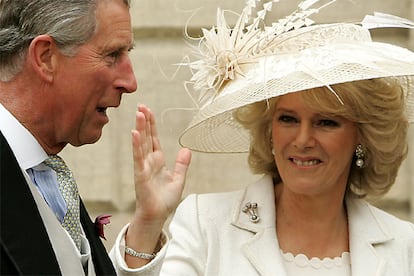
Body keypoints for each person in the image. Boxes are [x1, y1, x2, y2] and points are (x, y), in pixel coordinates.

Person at [116, 0, 414, 275]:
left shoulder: (404, 246)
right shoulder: (206, 223)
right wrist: (148, 224)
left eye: (326, 122)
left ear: (363, 136)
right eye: (288, 119)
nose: (303, 139)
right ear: (269, 130)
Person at [0, 0, 191, 275]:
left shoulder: (50, 175)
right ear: (45, 57)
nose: (130, 82)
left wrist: (147, 225)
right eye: (113, 54)